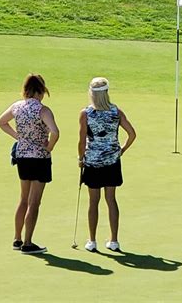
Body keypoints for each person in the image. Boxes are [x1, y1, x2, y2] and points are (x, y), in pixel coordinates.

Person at [0, 74, 59, 254]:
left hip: (22, 156)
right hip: (40, 158)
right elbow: (55, 132)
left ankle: (17, 238)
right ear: (40, 91)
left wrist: (18, 137)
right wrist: (49, 148)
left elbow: (1, 122)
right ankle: (28, 243)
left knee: (23, 199)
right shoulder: (43, 110)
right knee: (34, 202)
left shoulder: (17, 106)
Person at [78, 77, 136, 252]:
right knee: (111, 200)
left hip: (93, 162)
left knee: (93, 201)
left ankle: (92, 241)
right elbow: (132, 134)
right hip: (112, 162)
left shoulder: (86, 113)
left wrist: (81, 158)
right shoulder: (115, 111)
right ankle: (114, 241)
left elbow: (81, 141)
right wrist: (121, 151)